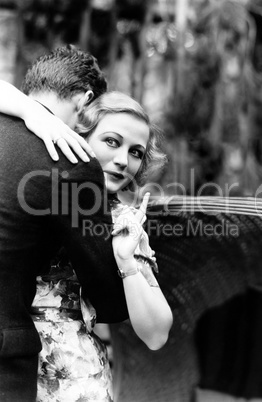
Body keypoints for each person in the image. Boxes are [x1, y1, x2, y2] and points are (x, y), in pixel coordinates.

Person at [0, 47, 172, 402]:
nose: (123, 160)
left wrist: (126, 262)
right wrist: (32, 112)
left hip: (70, 375)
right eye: (111, 142)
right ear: (78, 133)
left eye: (136, 152)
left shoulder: (125, 222)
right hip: (15, 363)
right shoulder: (52, 169)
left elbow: (156, 334)